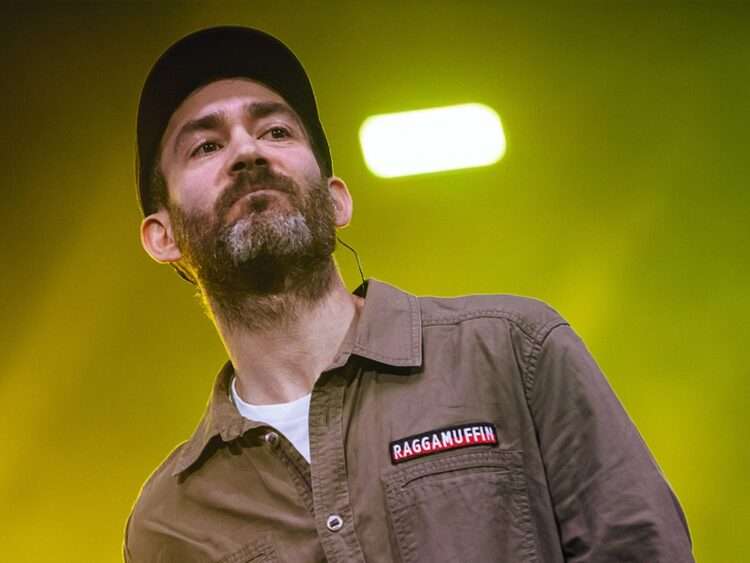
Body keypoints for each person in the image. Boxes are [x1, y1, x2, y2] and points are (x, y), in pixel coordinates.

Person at [124, 26, 694, 563]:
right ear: (162, 236)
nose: (248, 152)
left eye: (276, 131)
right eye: (205, 146)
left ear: (336, 199)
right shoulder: (168, 522)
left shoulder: (512, 352)